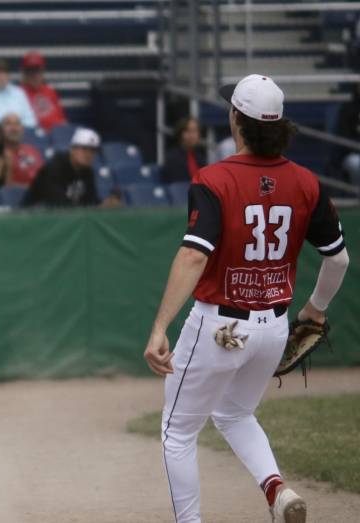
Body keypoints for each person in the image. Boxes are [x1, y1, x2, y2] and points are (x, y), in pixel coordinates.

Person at [143, 74, 349, 523]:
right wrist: (313, 311)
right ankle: (277, 490)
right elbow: (338, 261)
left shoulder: (214, 179)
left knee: (177, 432)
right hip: (273, 326)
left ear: (237, 119)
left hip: (220, 324)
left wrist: (160, 327)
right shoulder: (306, 182)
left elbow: (195, 256)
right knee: (235, 414)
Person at [22, 127, 100, 207]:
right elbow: (57, 203)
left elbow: (92, 202)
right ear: (72, 149)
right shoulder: (53, 169)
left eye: (93, 151)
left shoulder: (87, 172)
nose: (88, 154)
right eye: (84, 149)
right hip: (35, 215)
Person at [20, 51, 67, 132]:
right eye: (30, 71)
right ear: (24, 73)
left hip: (57, 135)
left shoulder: (50, 91)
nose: (34, 75)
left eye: (37, 70)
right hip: (35, 136)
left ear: (42, 71)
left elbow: (62, 120)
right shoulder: (19, 94)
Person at [160, 116, 207, 184]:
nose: (192, 135)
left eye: (195, 131)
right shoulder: (173, 157)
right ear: (180, 133)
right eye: (188, 131)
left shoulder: (200, 156)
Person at [1, 112, 44, 187]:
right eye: (8, 124)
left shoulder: (32, 150)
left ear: (22, 129)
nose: (14, 128)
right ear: (0, 130)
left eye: (17, 124)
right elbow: (5, 188)